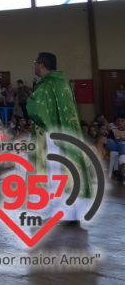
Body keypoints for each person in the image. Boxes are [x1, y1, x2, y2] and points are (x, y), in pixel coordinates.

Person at [27, 52, 92, 223]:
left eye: (35, 63)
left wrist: (30, 100)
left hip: (51, 136)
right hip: (69, 133)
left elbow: (35, 110)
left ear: (41, 65)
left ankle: (60, 213)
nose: (34, 66)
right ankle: (73, 213)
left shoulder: (45, 86)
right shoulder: (65, 84)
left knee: (54, 170)